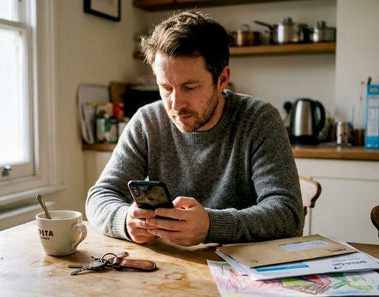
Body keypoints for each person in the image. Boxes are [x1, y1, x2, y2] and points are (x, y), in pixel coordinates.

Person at [85, 10, 303, 247]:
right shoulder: (147, 121)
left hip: (242, 268)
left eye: (189, 87)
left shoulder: (259, 119)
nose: (175, 104)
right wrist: (125, 220)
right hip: (171, 269)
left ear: (222, 79)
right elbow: (99, 196)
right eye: (166, 88)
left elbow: (288, 215)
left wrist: (211, 225)